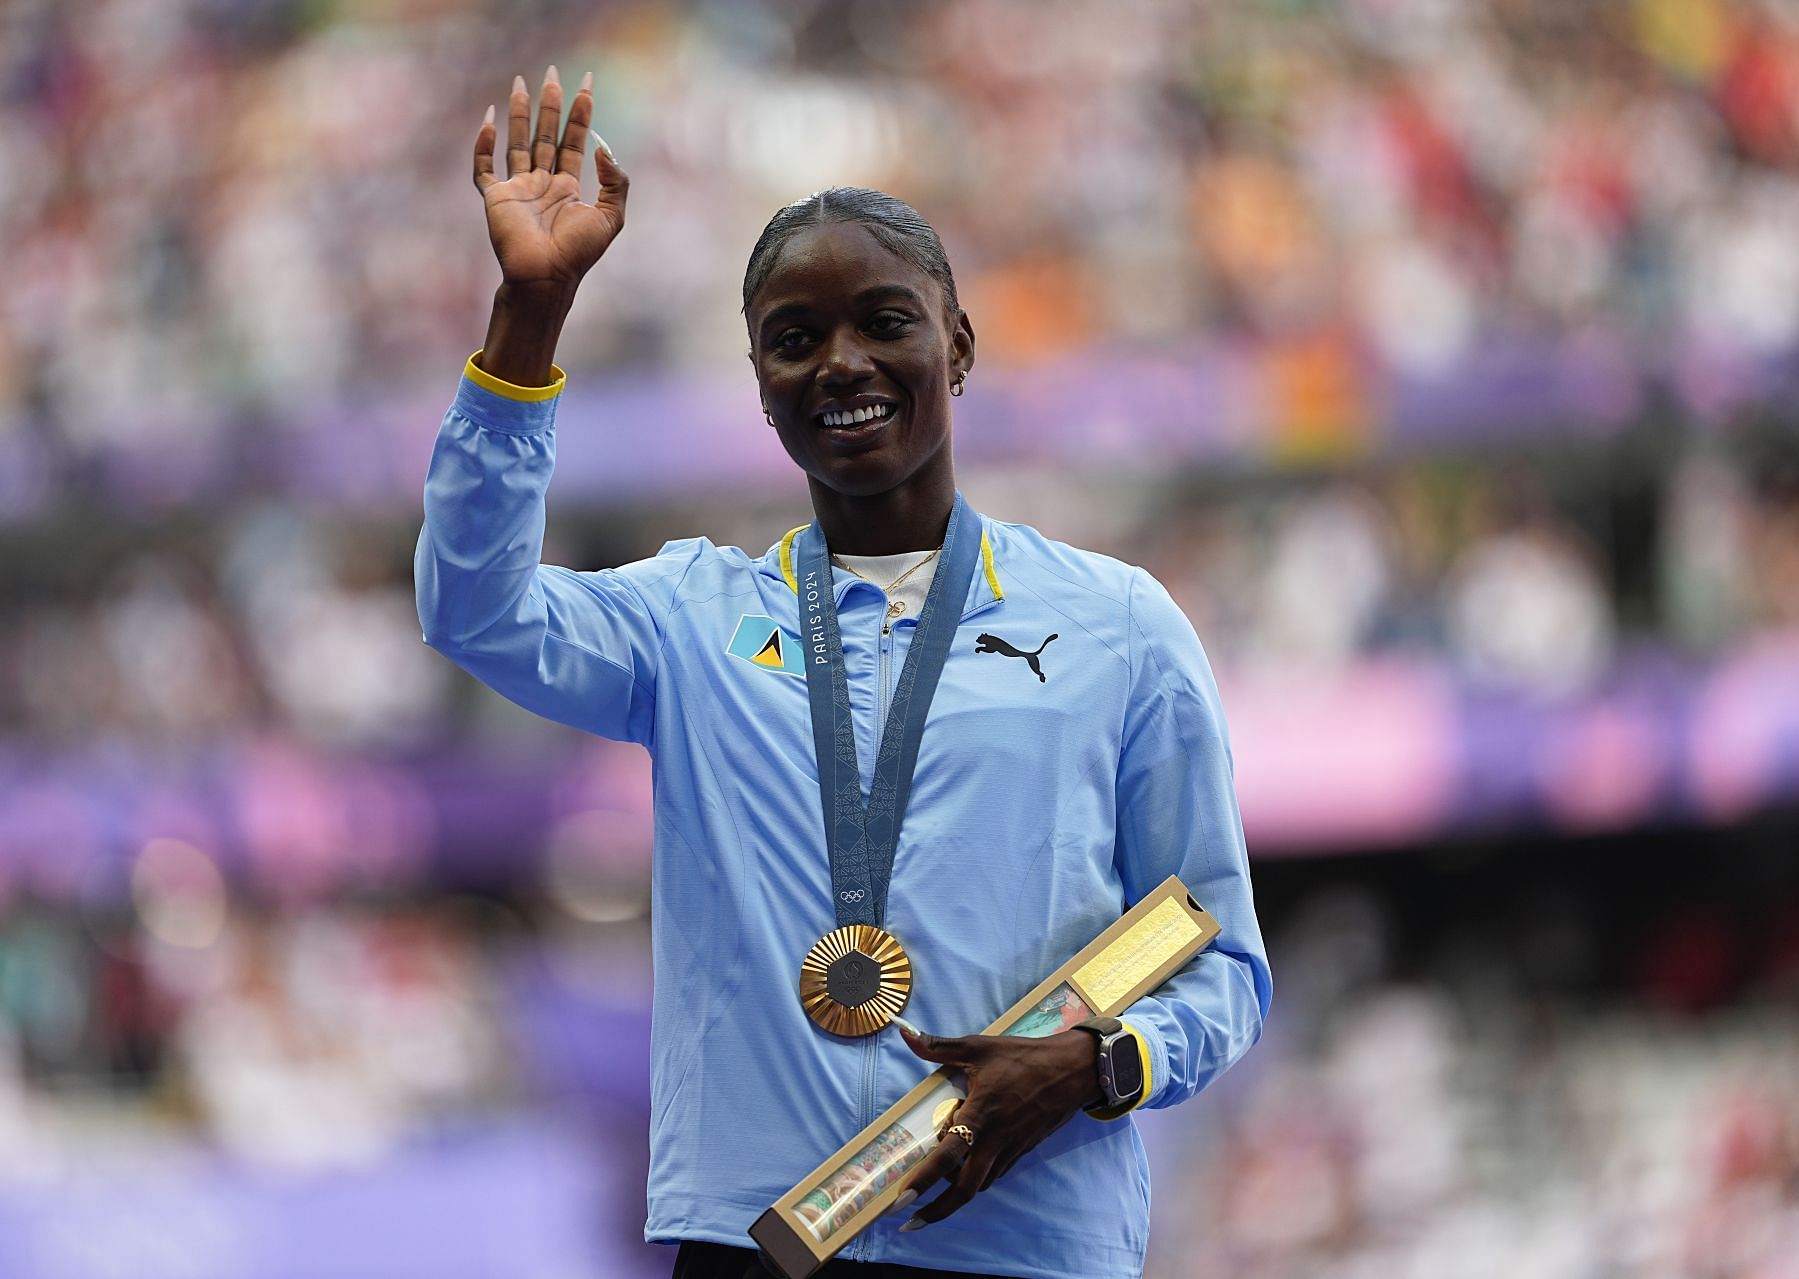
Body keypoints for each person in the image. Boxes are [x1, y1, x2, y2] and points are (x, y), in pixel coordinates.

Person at [415, 66, 1271, 1279]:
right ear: (762, 388)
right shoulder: (687, 621)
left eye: (885, 320)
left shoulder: (1120, 626)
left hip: (1022, 1242)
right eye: (794, 340)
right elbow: (474, 608)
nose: (842, 363)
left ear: (958, 345)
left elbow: (1221, 958)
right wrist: (528, 320)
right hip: (760, 1241)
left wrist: (1098, 1065)